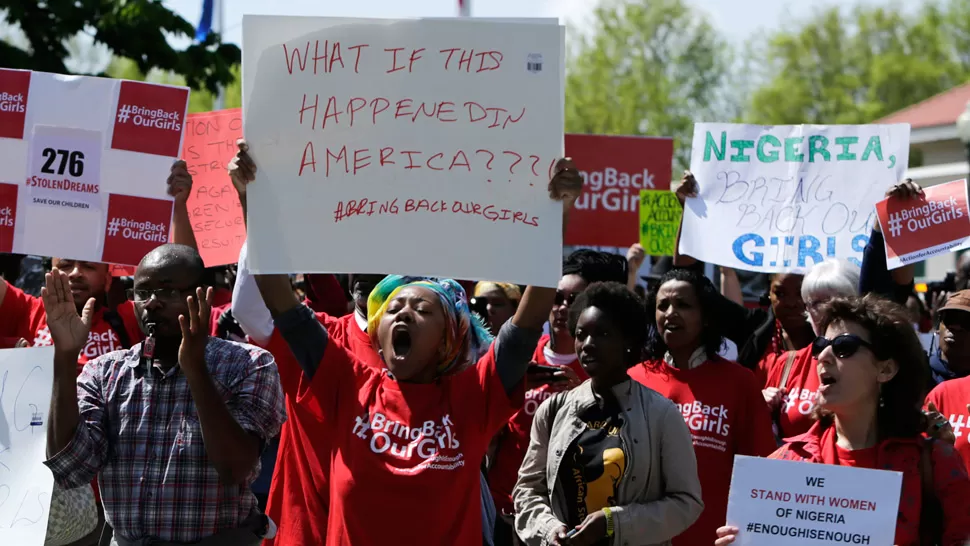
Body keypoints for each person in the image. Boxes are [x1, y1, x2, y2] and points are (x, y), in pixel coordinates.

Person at [228, 139, 582, 545]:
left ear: (449, 340)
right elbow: (280, 303)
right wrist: (251, 203)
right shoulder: (348, 381)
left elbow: (525, 326)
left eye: (422, 309)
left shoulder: (473, 396)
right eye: (394, 308)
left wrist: (559, 213)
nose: (402, 313)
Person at [42, 244, 286, 546]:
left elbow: (234, 467)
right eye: (142, 292)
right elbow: (71, 469)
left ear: (204, 295)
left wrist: (196, 369)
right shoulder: (104, 373)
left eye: (168, 292)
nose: (152, 304)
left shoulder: (249, 365)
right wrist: (64, 357)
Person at [715, 295, 970, 546]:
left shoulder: (933, 463)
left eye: (843, 347)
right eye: (820, 345)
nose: (823, 356)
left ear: (886, 369)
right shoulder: (786, 462)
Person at [514, 282, 703, 546]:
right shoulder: (553, 410)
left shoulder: (661, 414)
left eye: (602, 334)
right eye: (581, 334)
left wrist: (615, 522)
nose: (587, 344)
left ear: (627, 341)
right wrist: (548, 529)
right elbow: (528, 491)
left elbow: (687, 502)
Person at [488, 251, 626, 546]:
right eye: (556, 297)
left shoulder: (603, 369)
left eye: (574, 299)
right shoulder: (519, 360)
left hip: (564, 523)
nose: (563, 308)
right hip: (505, 510)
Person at [0, 161, 199, 366]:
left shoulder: (128, 319)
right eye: (66, 265)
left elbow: (183, 274)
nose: (76, 273)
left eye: (88, 266)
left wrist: (178, 207)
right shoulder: (26, 312)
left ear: (107, 279)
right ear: (49, 273)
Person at [628, 268, 775, 546]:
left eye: (683, 305)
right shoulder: (634, 379)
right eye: (662, 305)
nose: (671, 313)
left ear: (706, 316)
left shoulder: (739, 381)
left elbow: (760, 470)